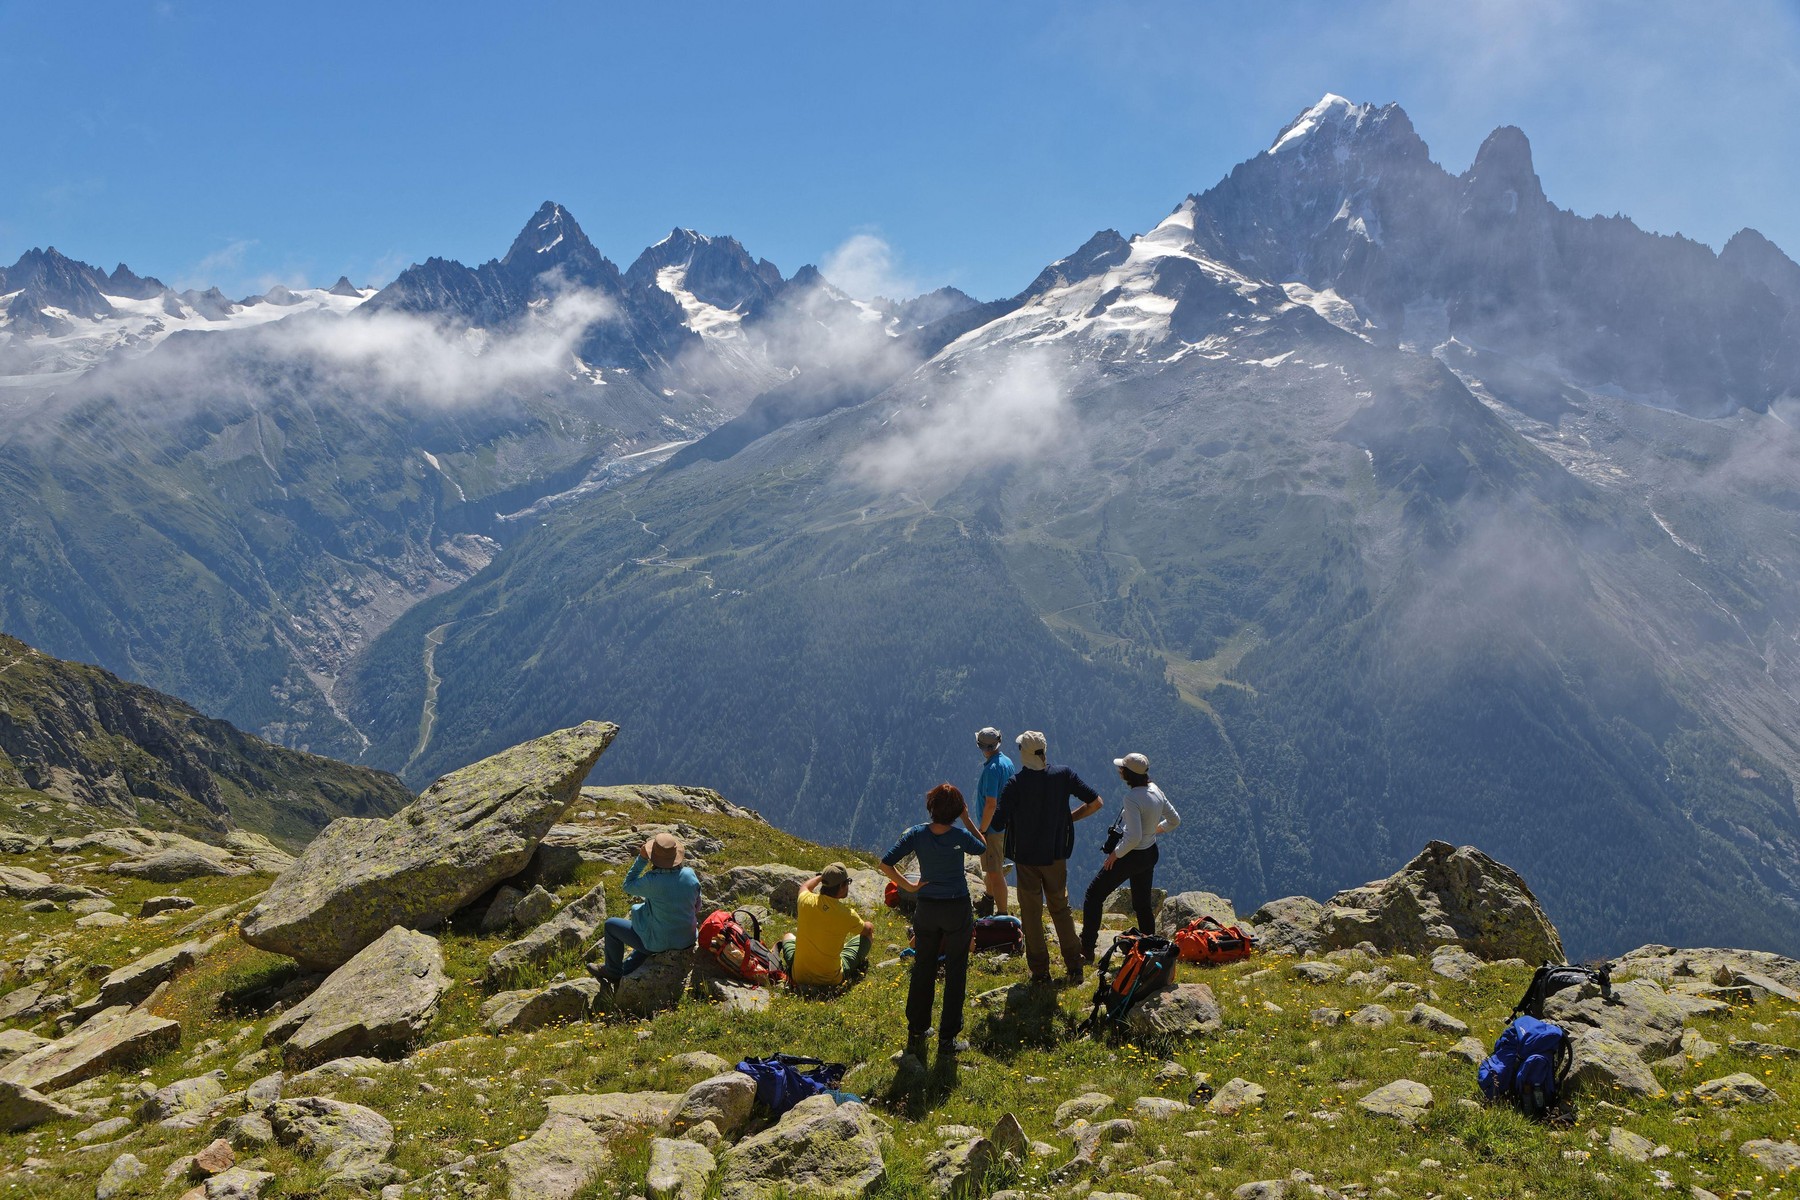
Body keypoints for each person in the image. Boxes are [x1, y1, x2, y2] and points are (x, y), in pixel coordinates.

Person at [879, 782, 986, 1059]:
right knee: (956, 971)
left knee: (923, 966)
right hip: (956, 908)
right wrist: (967, 819)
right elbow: (982, 847)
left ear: (931, 807)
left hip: (927, 907)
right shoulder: (959, 836)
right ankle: (948, 1039)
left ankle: (917, 1029)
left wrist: (909, 887)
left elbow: (885, 863)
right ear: (956, 810)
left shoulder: (917, 834)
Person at [989, 730, 1102, 987]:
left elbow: (998, 821)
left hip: (1026, 858)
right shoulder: (1063, 775)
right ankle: (1074, 966)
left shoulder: (1015, 784)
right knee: (1060, 909)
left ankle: (1040, 972)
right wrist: (1068, 819)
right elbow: (1096, 802)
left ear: (1023, 754)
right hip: (1056, 855)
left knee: (1030, 914)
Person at [1080, 751, 1182, 960]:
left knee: (1094, 895)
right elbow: (1175, 820)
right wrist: (1154, 830)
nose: (1119, 770)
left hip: (1131, 855)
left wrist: (1114, 855)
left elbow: (1133, 837)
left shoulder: (1132, 798)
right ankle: (1149, 950)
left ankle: (1087, 949)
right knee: (1142, 904)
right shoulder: (1156, 790)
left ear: (1128, 774)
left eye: (1122, 768)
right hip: (1150, 853)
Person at [598, 832, 701, 982]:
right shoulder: (689, 874)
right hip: (687, 939)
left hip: (658, 943)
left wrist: (641, 858)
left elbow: (628, 885)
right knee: (650, 931)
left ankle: (612, 971)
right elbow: (697, 906)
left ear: (654, 857)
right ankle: (625, 970)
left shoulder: (652, 880)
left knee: (611, 925)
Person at [778, 862, 874, 987]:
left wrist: (820, 877)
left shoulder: (805, 901)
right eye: (847, 882)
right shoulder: (847, 914)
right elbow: (867, 930)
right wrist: (868, 924)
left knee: (788, 936)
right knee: (868, 936)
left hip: (799, 975)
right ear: (842, 885)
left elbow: (804, 887)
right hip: (830, 979)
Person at [973, 727, 1016, 916]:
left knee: (996, 872)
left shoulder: (991, 769)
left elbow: (991, 803)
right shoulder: (1007, 762)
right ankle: (988, 900)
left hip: (992, 827)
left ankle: (1002, 913)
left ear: (981, 746)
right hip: (1005, 824)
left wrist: (982, 830)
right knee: (992, 868)